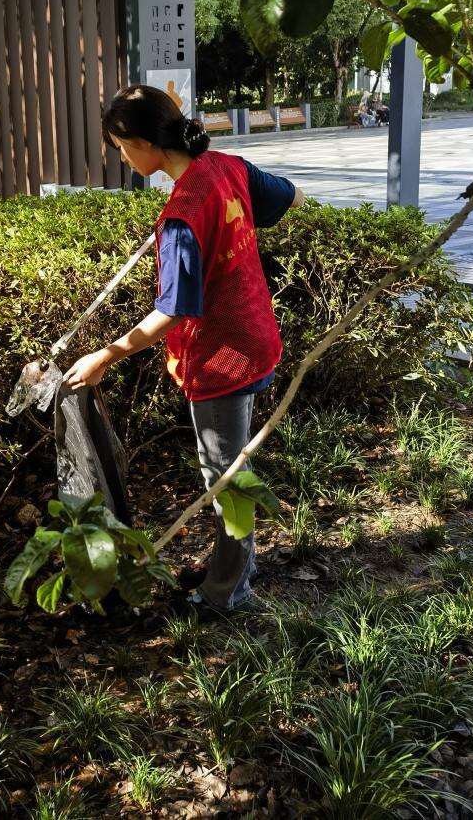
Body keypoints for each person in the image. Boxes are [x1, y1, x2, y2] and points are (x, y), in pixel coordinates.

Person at [63, 84, 304, 613]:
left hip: (222, 359)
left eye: (121, 147)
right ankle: (239, 567)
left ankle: (225, 594)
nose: (123, 158)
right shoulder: (224, 167)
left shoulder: (182, 215)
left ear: (143, 142)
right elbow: (290, 196)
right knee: (233, 467)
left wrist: (105, 356)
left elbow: (172, 310)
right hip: (256, 339)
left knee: (226, 482)